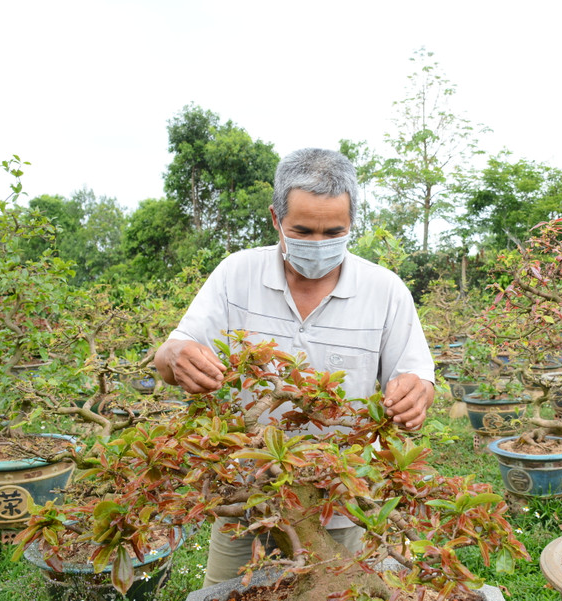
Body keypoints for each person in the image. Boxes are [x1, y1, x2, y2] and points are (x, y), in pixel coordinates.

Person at [154, 147, 435, 586]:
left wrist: (416, 392)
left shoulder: (385, 291)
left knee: (336, 587)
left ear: (351, 225)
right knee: (230, 589)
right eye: (303, 230)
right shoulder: (236, 275)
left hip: (340, 501)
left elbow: (417, 376)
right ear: (275, 219)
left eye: (334, 232)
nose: (319, 245)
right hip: (246, 494)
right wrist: (174, 356)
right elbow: (172, 355)